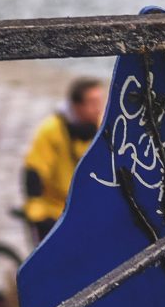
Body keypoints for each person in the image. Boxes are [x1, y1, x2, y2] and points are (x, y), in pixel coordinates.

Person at [21, 77, 106, 241]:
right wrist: (37, 213)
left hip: (85, 208)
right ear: (77, 106)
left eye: (100, 102)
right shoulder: (51, 131)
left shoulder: (100, 126)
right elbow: (34, 172)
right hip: (55, 210)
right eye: (92, 103)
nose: (98, 108)